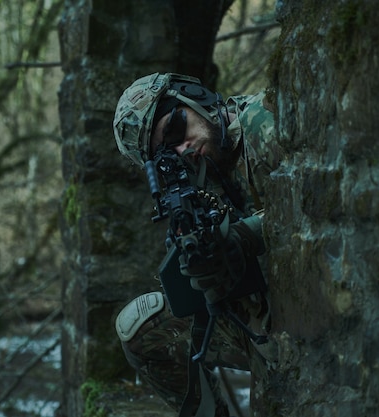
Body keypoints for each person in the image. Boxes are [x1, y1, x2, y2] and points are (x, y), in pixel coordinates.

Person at [112, 72, 282, 417]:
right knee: (139, 326)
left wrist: (245, 237)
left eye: (175, 129)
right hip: (261, 320)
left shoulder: (265, 121)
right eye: (166, 155)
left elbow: (319, 208)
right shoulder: (196, 183)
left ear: (192, 97)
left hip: (309, 298)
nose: (182, 148)